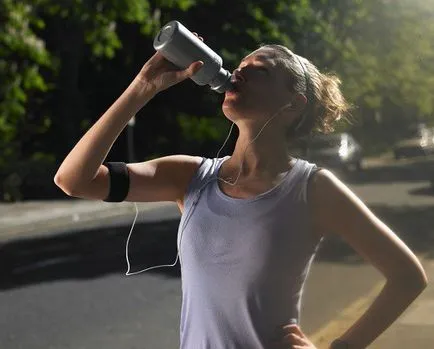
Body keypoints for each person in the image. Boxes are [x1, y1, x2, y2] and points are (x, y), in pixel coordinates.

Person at [54, 33, 428, 349]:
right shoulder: (190, 176)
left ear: (292, 104)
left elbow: (408, 276)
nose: (238, 75)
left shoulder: (311, 188)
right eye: (240, 67)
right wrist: (143, 87)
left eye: (260, 71)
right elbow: (74, 180)